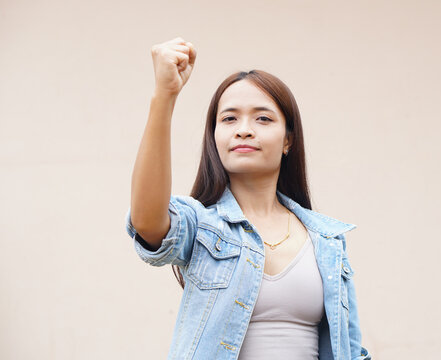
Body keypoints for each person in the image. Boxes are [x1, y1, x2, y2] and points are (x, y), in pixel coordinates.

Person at [125, 36, 371, 360]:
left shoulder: (328, 240)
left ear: (288, 140)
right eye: (229, 119)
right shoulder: (203, 226)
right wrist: (165, 96)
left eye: (263, 118)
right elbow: (147, 221)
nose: (244, 129)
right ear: (215, 137)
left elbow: (349, 351)